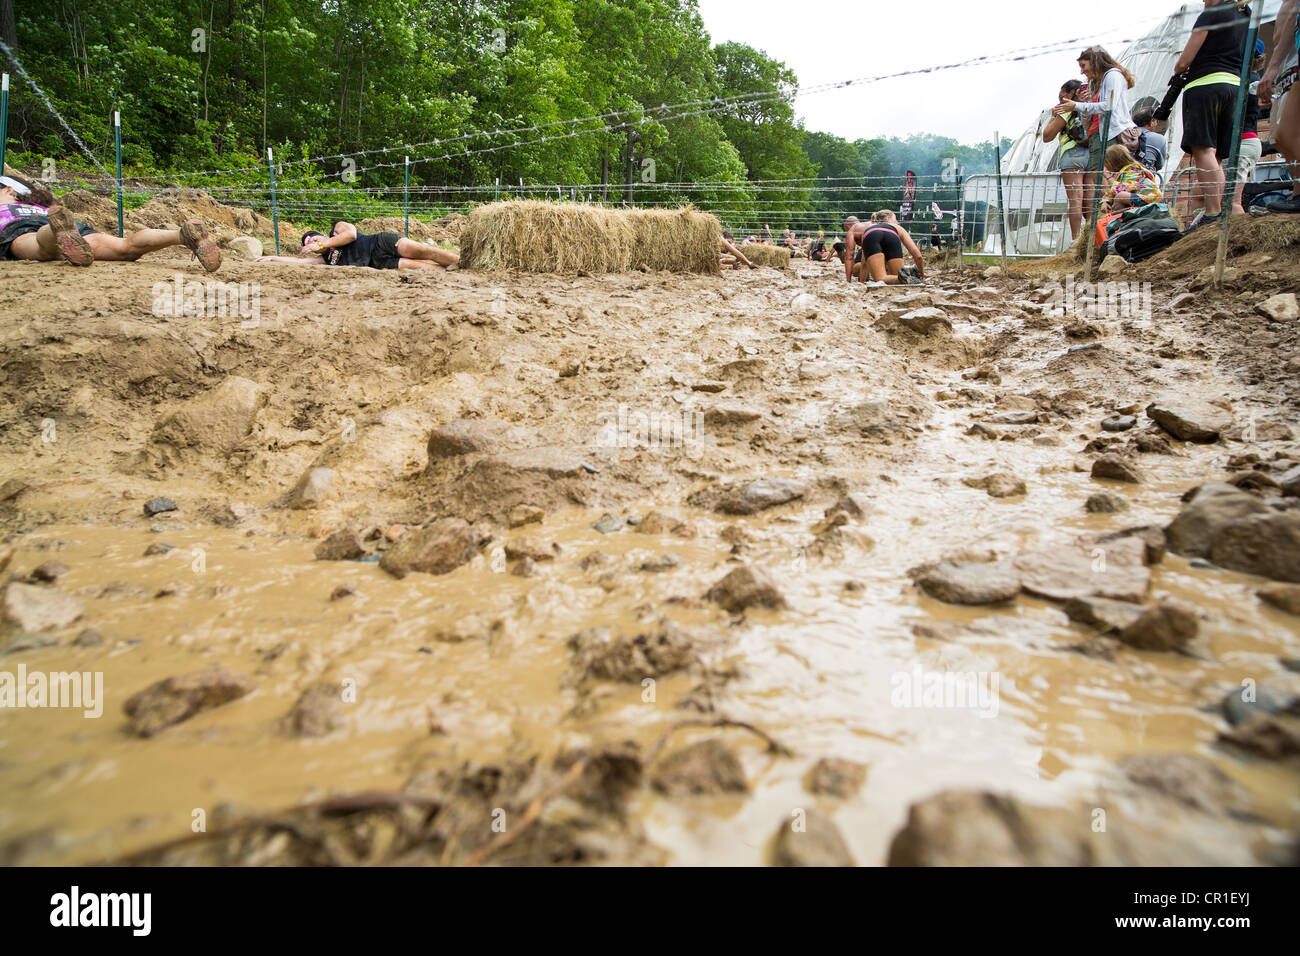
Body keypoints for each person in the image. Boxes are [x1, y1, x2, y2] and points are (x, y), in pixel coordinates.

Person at [0, 177, 221, 270]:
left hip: (17, 225)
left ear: (9, 190)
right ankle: (181, 235)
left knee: (39, 247)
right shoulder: (40, 206)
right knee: (126, 248)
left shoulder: (5, 205)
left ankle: (56, 229)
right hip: (68, 224)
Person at [1164, 0, 1254, 230]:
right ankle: (1225, 210)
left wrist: (1178, 68)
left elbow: (1183, 61)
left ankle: (1214, 213)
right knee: (1218, 156)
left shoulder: (1212, 13)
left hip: (1205, 83)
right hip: (1235, 86)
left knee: (1204, 148)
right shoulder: (1245, 14)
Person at [1071, 48, 1139, 220]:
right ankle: (1101, 221)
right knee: (1099, 181)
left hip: (1111, 134)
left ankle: (1115, 216)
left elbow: (1109, 106)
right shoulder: (1098, 83)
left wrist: (1076, 106)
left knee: (1109, 179)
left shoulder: (1113, 76)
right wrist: (1083, 103)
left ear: (1095, 61)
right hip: (1097, 136)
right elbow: (1089, 119)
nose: (1082, 71)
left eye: (1083, 65)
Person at [258, 221, 459, 270]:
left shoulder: (336, 230)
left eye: (311, 238)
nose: (310, 243)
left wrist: (323, 242)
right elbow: (302, 262)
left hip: (381, 242)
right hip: (376, 263)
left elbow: (352, 233)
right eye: (307, 243)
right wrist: (274, 258)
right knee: (421, 266)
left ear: (318, 235)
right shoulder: (328, 258)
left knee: (423, 251)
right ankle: (455, 271)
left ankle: (463, 262)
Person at [1258, 0, 1300, 212]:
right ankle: (1297, 192)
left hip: (1292, 65)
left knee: (1288, 136)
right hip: (1287, 68)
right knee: (1280, 139)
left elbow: (1291, 23)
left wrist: (1272, 68)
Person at [1043, 78, 1093, 239]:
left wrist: (1053, 116)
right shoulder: (1090, 106)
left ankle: (1076, 240)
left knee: (1076, 200)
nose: (1061, 99)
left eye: (1062, 94)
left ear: (1071, 93)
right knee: (1091, 200)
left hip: (1072, 154)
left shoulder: (1066, 108)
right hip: (1091, 152)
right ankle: (1092, 240)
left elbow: (1047, 136)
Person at [842, 211, 925, 286]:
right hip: (892, 235)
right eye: (895, 219)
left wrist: (860, 283)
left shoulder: (868, 227)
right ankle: (908, 275)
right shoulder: (898, 228)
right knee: (898, 276)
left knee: (880, 279)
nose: (897, 222)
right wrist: (922, 275)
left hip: (872, 235)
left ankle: (900, 277)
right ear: (888, 218)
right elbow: (918, 255)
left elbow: (858, 259)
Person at [1233, 40, 1268, 215]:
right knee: (1209, 196)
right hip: (1248, 142)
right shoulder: (1255, 80)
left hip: (1243, 143)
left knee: (1231, 201)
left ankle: (1233, 240)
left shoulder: (1246, 80)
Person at [1098, 145, 1162, 216]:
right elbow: (1112, 191)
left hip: (1149, 199)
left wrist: (1108, 176)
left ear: (1114, 161)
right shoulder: (1121, 173)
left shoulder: (1133, 170)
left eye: (1106, 162)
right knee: (1119, 197)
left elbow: (1122, 189)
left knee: (1121, 196)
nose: (1105, 166)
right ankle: (1118, 220)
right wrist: (1106, 201)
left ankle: (1119, 220)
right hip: (1138, 198)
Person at [1129, 106, 1169, 174]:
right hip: (1146, 179)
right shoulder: (1159, 139)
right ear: (1152, 121)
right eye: (1156, 121)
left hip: (1123, 177)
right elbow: (1159, 166)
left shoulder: (1126, 134)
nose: (1156, 124)